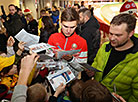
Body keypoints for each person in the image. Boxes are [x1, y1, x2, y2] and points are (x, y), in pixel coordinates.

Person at [92, 13, 138, 102]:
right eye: (111, 33)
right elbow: (96, 64)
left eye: (118, 35)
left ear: (130, 33)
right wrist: (91, 72)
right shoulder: (105, 47)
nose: (112, 38)